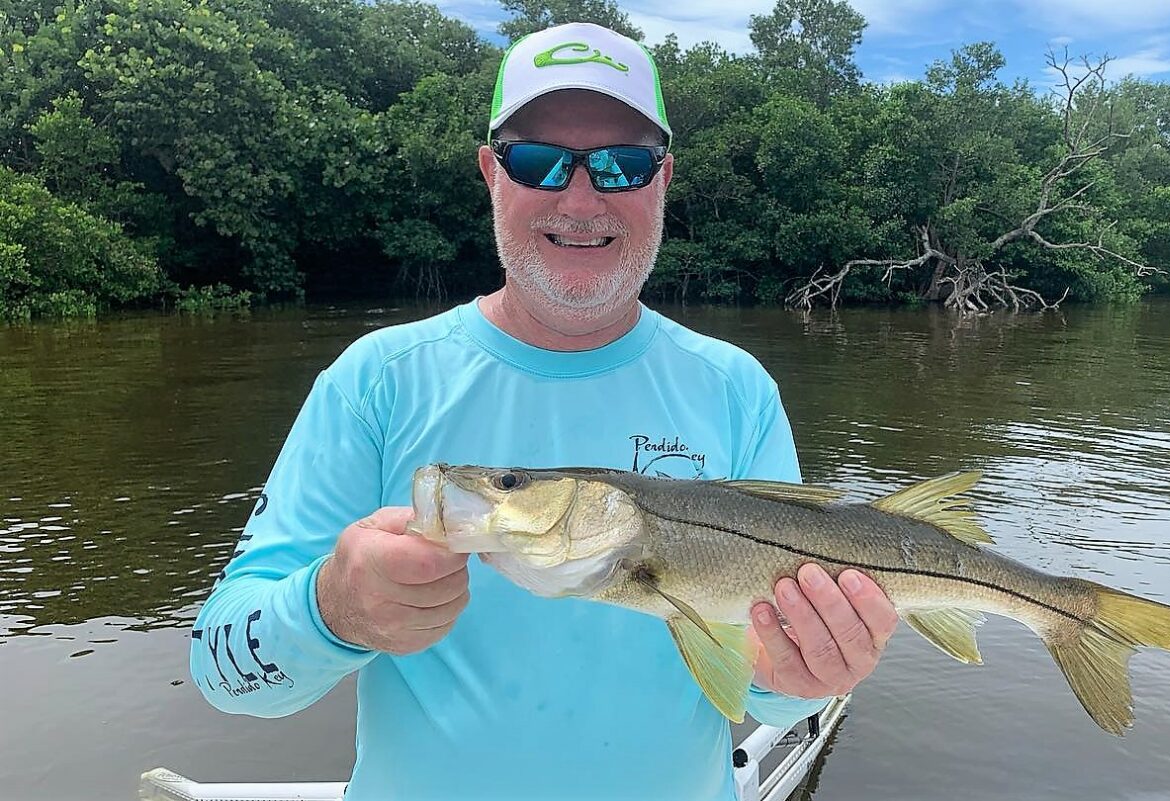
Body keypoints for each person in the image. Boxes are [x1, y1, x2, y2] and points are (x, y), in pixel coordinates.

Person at [189, 22, 898, 801]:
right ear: (493, 173)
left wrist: (803, 670)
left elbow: (768, 695)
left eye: (623, 164)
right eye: (540, 161)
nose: (582, 197)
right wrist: (331, 608)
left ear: (663, 180)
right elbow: (223, 673)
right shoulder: (376, 380)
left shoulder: (736, 388)